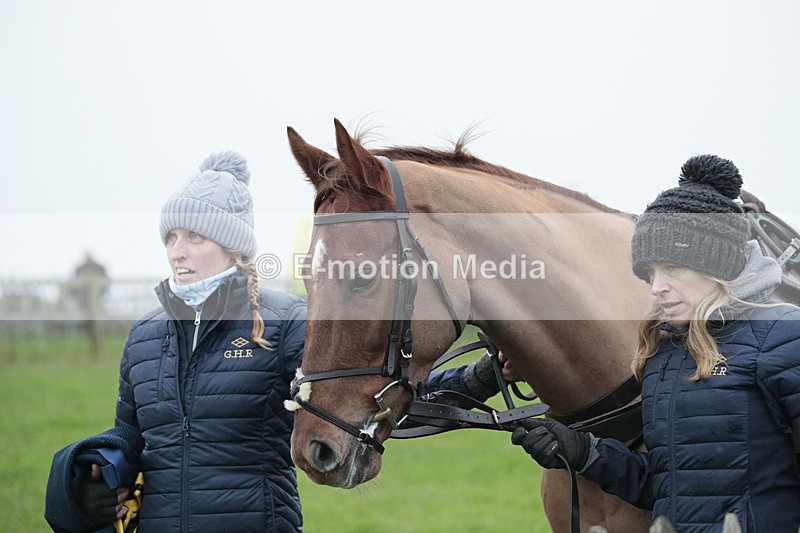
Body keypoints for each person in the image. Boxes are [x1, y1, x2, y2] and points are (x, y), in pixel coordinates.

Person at [45, 151, 518, 533]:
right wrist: (89, 479)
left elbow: (374, 393)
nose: (177, 250)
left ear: (233, 247)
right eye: (171, 236)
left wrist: (481, 376)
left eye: (194, 236)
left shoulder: (285, 324)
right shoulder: (144, 335)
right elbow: (130, 436)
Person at [511, 154, 800, 531]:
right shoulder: (665, 355)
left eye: (673, 269)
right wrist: (583, 452)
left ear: (716, 264)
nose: (657, 286)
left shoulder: (783, 336)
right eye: (650, 272)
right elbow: (665, 485)